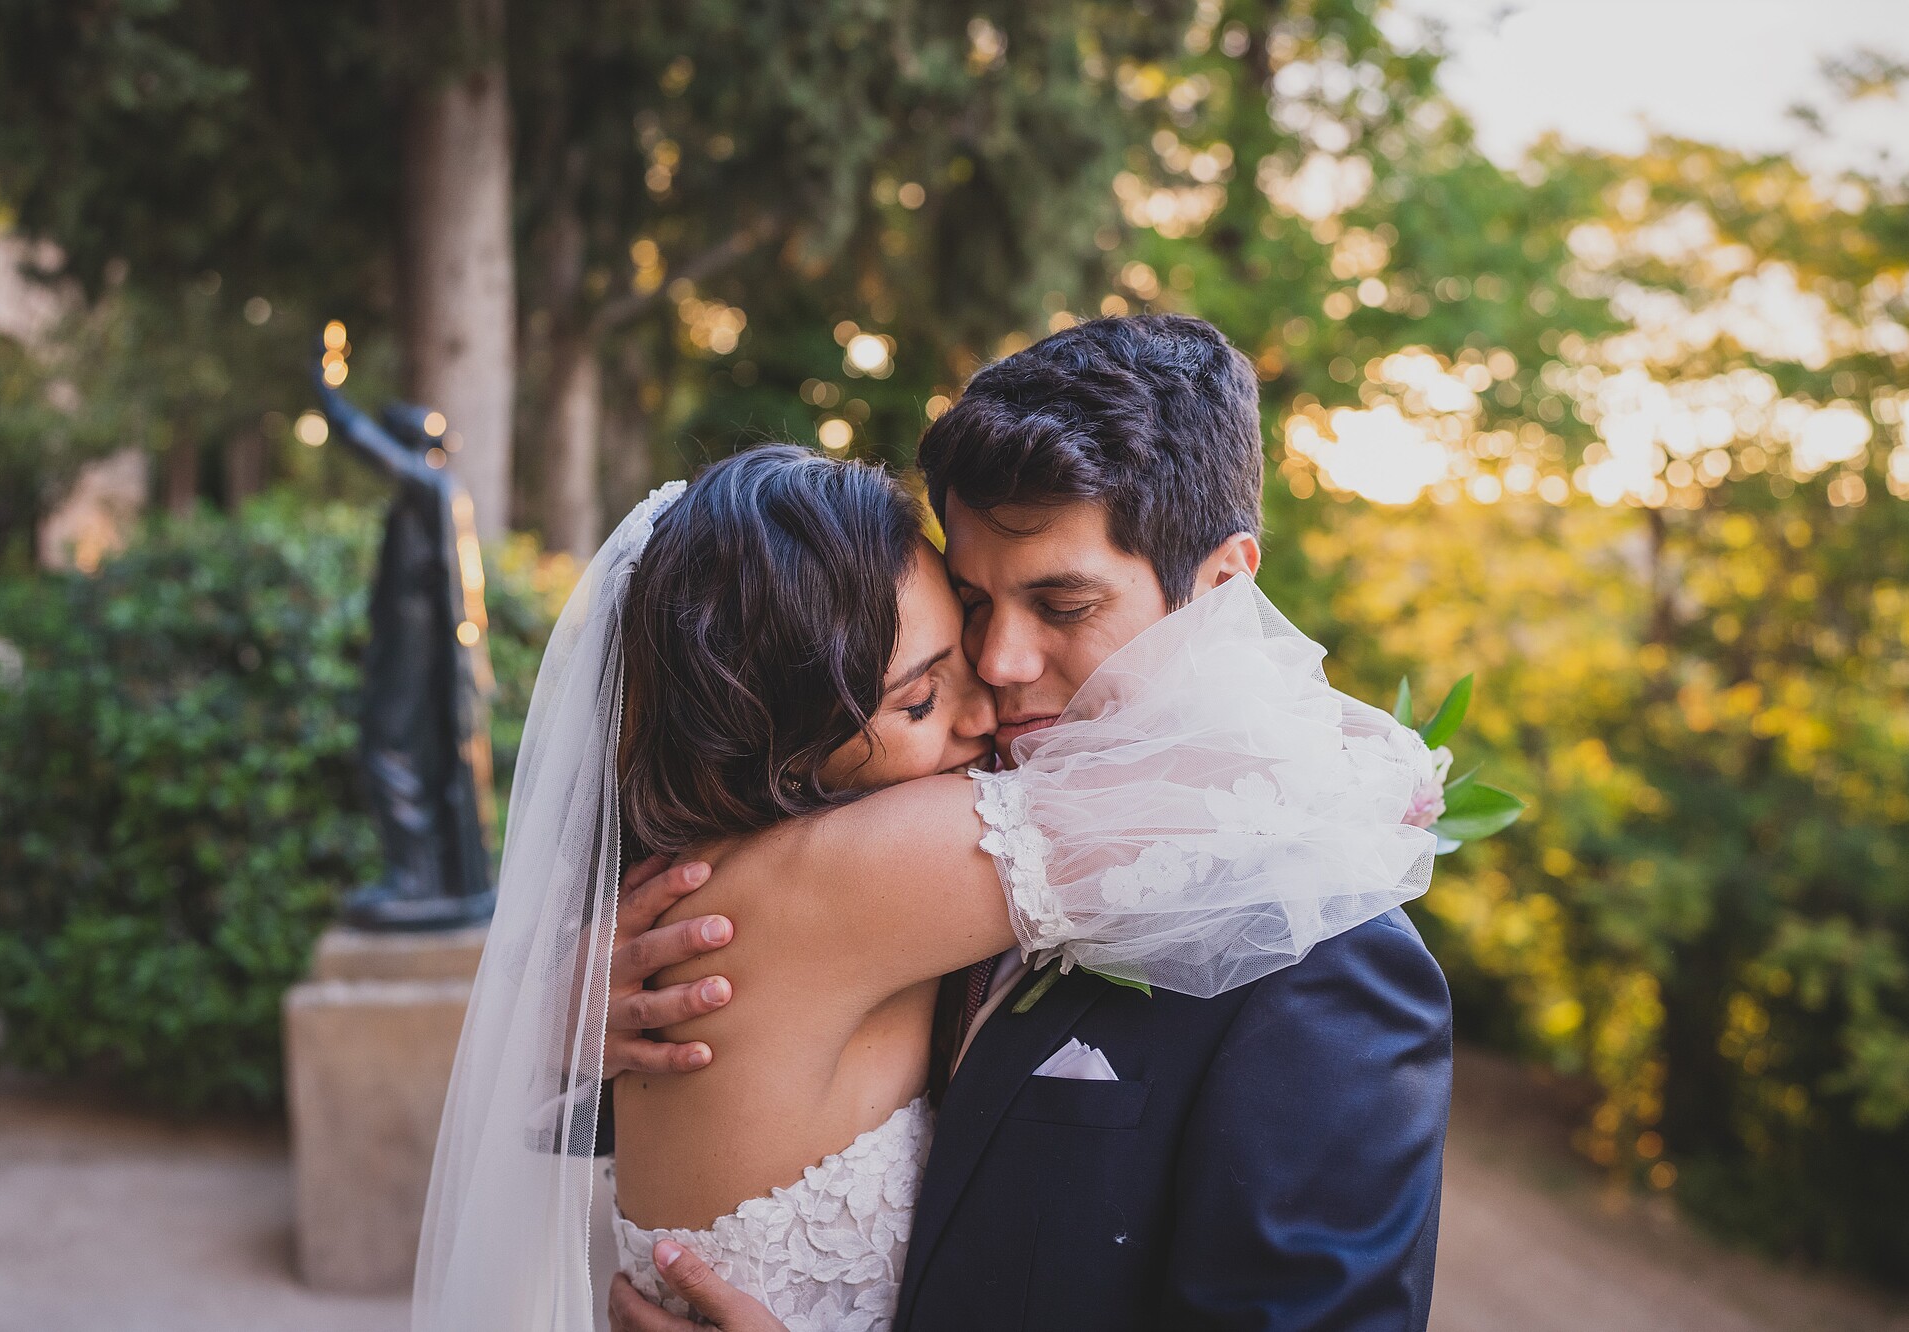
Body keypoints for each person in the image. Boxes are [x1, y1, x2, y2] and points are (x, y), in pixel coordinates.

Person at [607, 315, 1454, 1332]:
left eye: (1061, 605)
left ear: (1222, 586)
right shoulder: (898, 836)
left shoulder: (1331, 965)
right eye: (971, 602)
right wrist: (575, 1030)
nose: (999, 663)